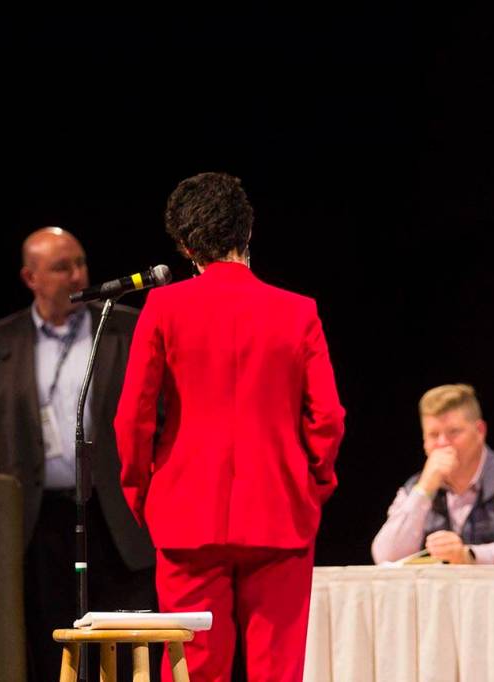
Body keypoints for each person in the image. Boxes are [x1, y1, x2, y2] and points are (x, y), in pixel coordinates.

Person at [114, 172, 345, 682]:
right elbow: (327, 416)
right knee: (276, 671)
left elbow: (133, 416)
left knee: (193, 672)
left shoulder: (164, 308)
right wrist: (313, 486)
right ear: (248, 231)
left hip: (186, 513)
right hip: (280, 513)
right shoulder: (297, 311)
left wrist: (143, 494)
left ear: (185, 244)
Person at [0, 227, 156, 682]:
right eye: (60, 267)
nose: (76, 275)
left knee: (126, 652)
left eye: (80, 263)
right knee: (51, 648)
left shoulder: (125, 327)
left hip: (114, 518)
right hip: (36, 524)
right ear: (30, 277)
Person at [372, 384, 494, 565]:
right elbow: (386, 557)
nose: (443, 443)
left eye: (454, 432)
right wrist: (424, 490)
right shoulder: (415, 487)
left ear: (480, 431)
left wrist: (466, 555)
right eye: (433, 435)